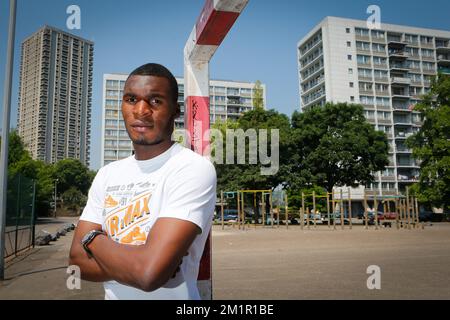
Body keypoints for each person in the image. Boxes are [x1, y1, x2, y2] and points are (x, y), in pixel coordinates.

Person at [69, 63, 217, 300]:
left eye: (155, 101)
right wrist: (141, 263)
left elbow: (149, 274)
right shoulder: (107, 174)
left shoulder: (192, 168)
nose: (141, 110)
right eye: (131, 99)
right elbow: (76, 263)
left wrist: (92, 240)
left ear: (175, 111)